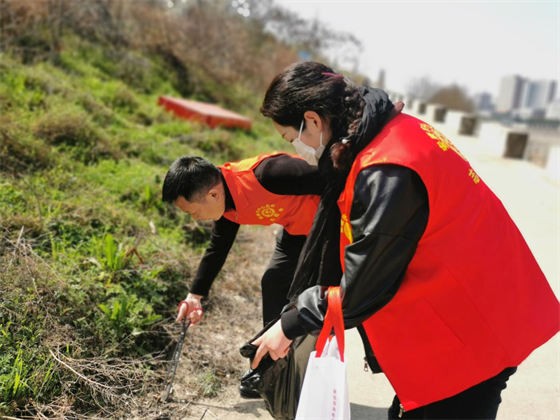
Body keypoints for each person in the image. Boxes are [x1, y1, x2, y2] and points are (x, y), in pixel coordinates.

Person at [250, 62, 560, 419]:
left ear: (313, 120)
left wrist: (290, 324)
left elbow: (363, 286)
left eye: (292, 138)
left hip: (470, 337)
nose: (298, 149)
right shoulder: (392, 130)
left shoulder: (385, 170)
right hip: (465, 311)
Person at [161, 152, 322, 398]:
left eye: (193, 211)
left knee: (344, 296)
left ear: (213, 195)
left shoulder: (270, 174)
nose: (196, 218)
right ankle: (270, 370)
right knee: (274, 282)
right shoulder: (225, 205)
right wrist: (194, 296)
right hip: (296, 229)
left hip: (330, 227)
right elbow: (217, 249)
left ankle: (373, 358)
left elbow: (332, 180)